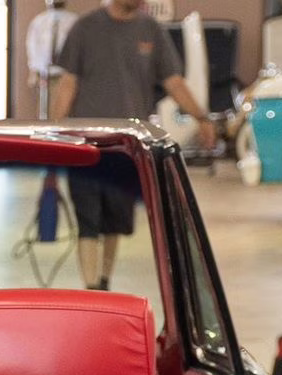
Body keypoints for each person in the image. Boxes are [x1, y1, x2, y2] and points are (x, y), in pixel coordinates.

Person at [50, 0, 217, 290]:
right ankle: (91, 288)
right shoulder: (85, 28)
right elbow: (67, 84)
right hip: (85, 142)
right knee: (88, 218)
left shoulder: (151, 30)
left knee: (115, 219)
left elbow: (173, 82)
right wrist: (54, 134)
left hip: (127, 145)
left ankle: (103, 280)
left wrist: (201, 118)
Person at [26, 0, 81, 120]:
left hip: (66, 74)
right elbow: (32, 47)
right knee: (44, 112)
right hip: (45, 74)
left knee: (64, 110)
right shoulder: (39, 21)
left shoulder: (75, 21)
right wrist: (33, 72)